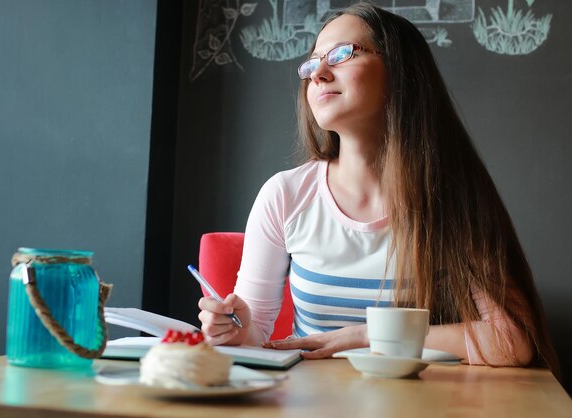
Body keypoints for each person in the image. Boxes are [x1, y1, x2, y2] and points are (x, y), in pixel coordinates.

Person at [197, 2, 559, 374]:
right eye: (312, 62)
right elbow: (256, 333)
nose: (318, 73)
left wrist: (364, 336)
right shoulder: (285, 195)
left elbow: (511, 342)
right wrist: (234, 331)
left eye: (341, 54)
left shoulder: (449, 195)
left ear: (400, 72)